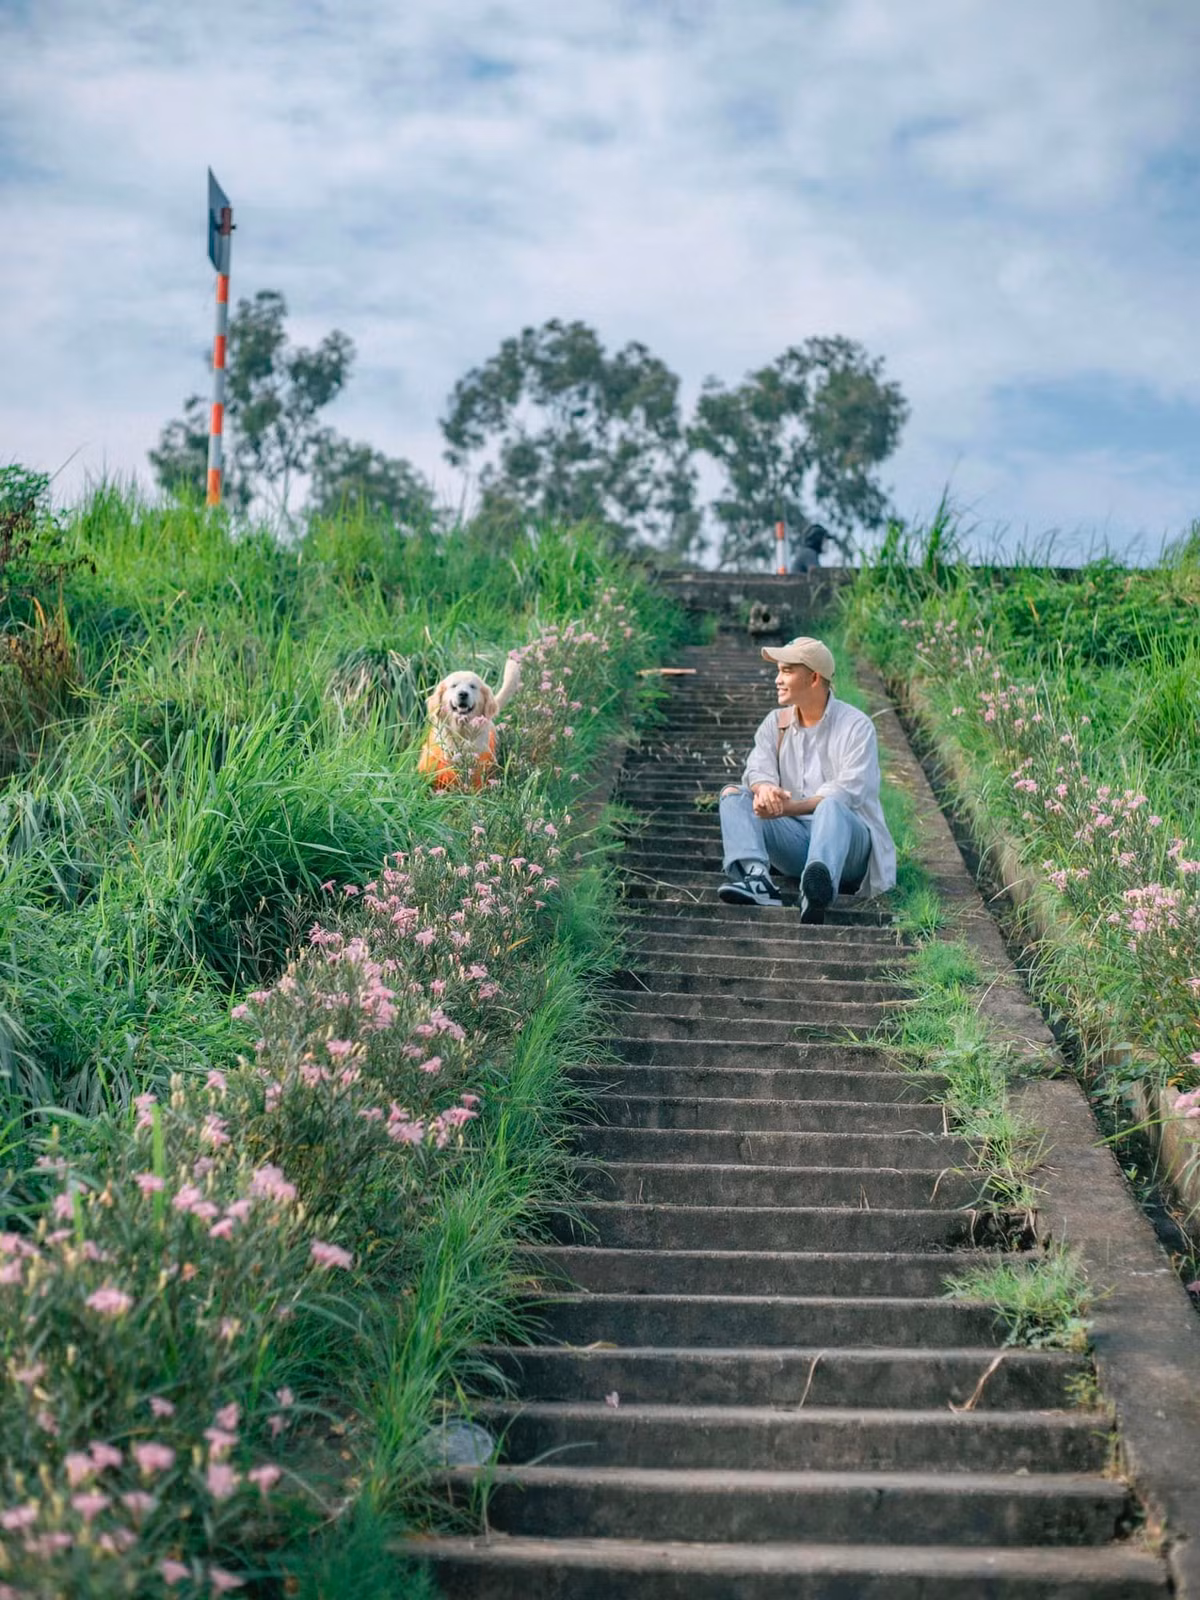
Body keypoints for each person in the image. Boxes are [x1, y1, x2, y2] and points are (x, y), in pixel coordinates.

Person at [716, 636, 897, 923]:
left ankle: (818, 888)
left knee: (831, 806)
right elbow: (757, 770)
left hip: (848, 849)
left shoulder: (856, 726)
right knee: (733, 795)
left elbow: (845, 794)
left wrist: (785, 808)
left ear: (814, 678)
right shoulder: (775, 723)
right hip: (795, 842)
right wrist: (765, 792)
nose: (777, 679)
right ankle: (757, 878)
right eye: (778, 670)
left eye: (787, 671)